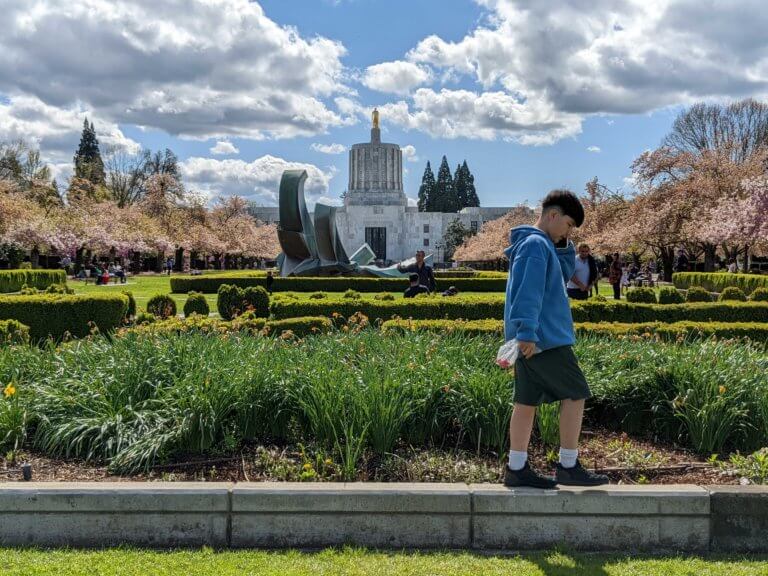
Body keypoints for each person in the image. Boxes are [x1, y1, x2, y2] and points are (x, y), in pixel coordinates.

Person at [503, 189, 608, 488]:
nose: (569, 230)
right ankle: (568, 464)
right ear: (553, 215)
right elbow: (528, 291)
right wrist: (527, 332)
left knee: (525, 402)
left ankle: (517, 467)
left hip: (536, 338)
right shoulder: (536, 244)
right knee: (576, 394)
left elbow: (556, 276)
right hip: (546, 339)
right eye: (569, 224)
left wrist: (563, 246)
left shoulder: (538, 244)